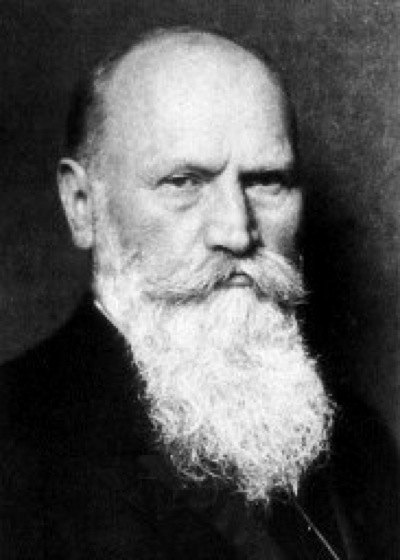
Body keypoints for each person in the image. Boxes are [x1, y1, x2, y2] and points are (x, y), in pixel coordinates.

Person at [0, 25, 398, 560]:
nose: (237, 232)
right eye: (184, 182)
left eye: (266, 181)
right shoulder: (13, 443)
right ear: (82, 206)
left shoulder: (360, 444)